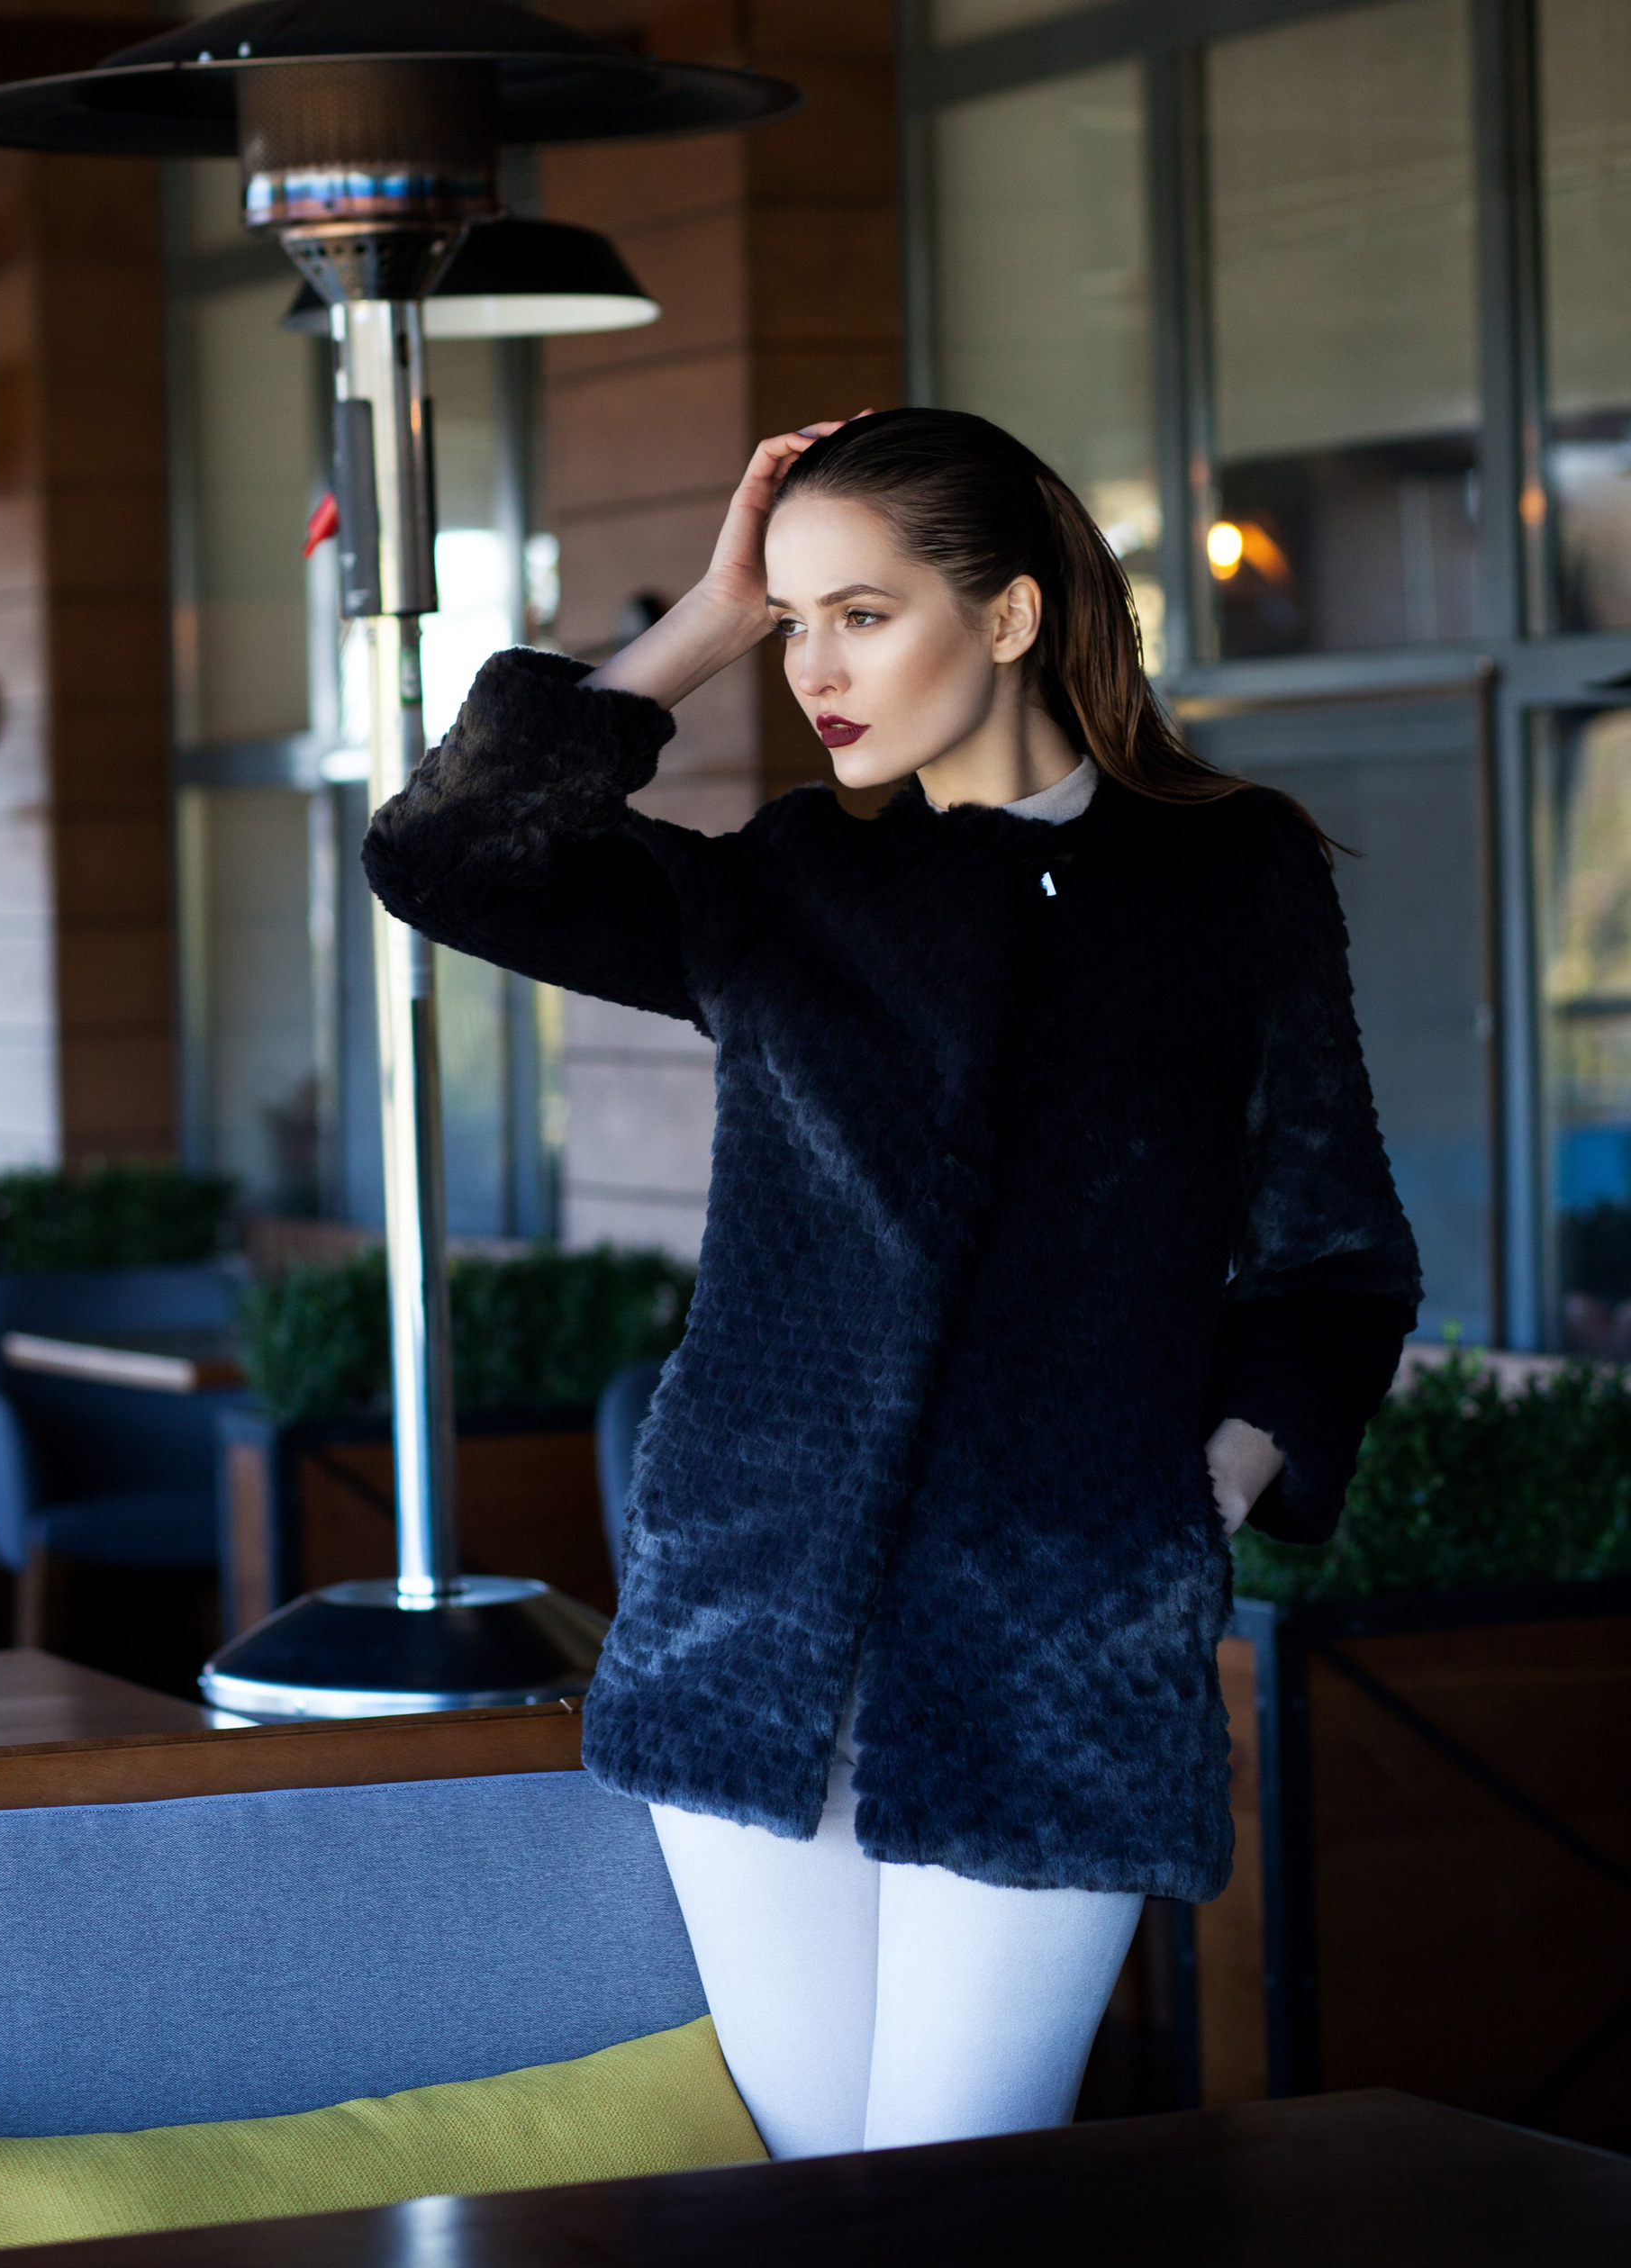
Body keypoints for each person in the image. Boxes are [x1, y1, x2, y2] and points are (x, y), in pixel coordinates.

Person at [363, 407, 1420, 2161]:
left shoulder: (1228, 877)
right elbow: (445, 857)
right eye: (794, 626)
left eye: (861, 615)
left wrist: (1207, 1486)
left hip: (1058, 1631)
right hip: (749, 1620)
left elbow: (1334, 1257)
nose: (816, 672)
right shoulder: (794, 880)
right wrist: (706, 618)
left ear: (1006, 614)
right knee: (815, 2186)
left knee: (955, 2173)